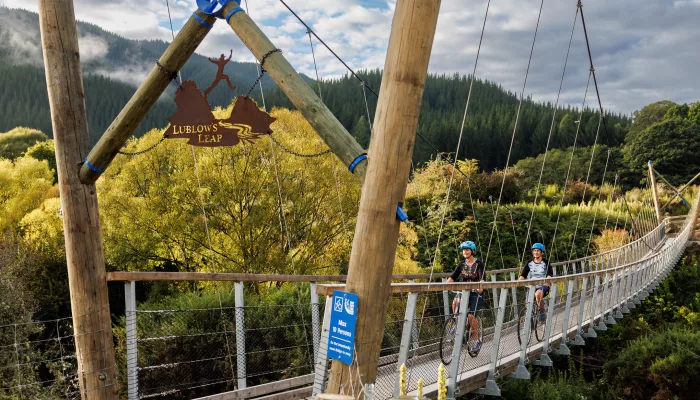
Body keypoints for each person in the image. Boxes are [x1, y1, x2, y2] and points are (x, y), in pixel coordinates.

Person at [447, 241, 486, 355]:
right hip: (465, 293)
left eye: (467, 250)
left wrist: (480, 286)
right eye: (463, 250)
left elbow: (482, 277)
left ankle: (476, 341)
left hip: (476, 294)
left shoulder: (479, 263)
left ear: (472, 251)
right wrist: (446, 284)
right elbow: (452, 277)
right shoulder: (461, 264)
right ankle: (456, 323)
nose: (465, 252)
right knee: (455, 301)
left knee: (470, 316)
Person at [519, 243, 553, 321]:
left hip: (543, 285)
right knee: (528, 304)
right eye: (534, 250)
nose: (536, 252)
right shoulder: (529, 262)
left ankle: (541, 312)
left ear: (542, 253)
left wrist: (547, 280)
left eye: (538, 251)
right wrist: (519, 281)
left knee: (538, 294)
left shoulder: (545, 262)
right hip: (532, 285)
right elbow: (523, 274)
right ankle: (530, 323)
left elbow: (549, 274)